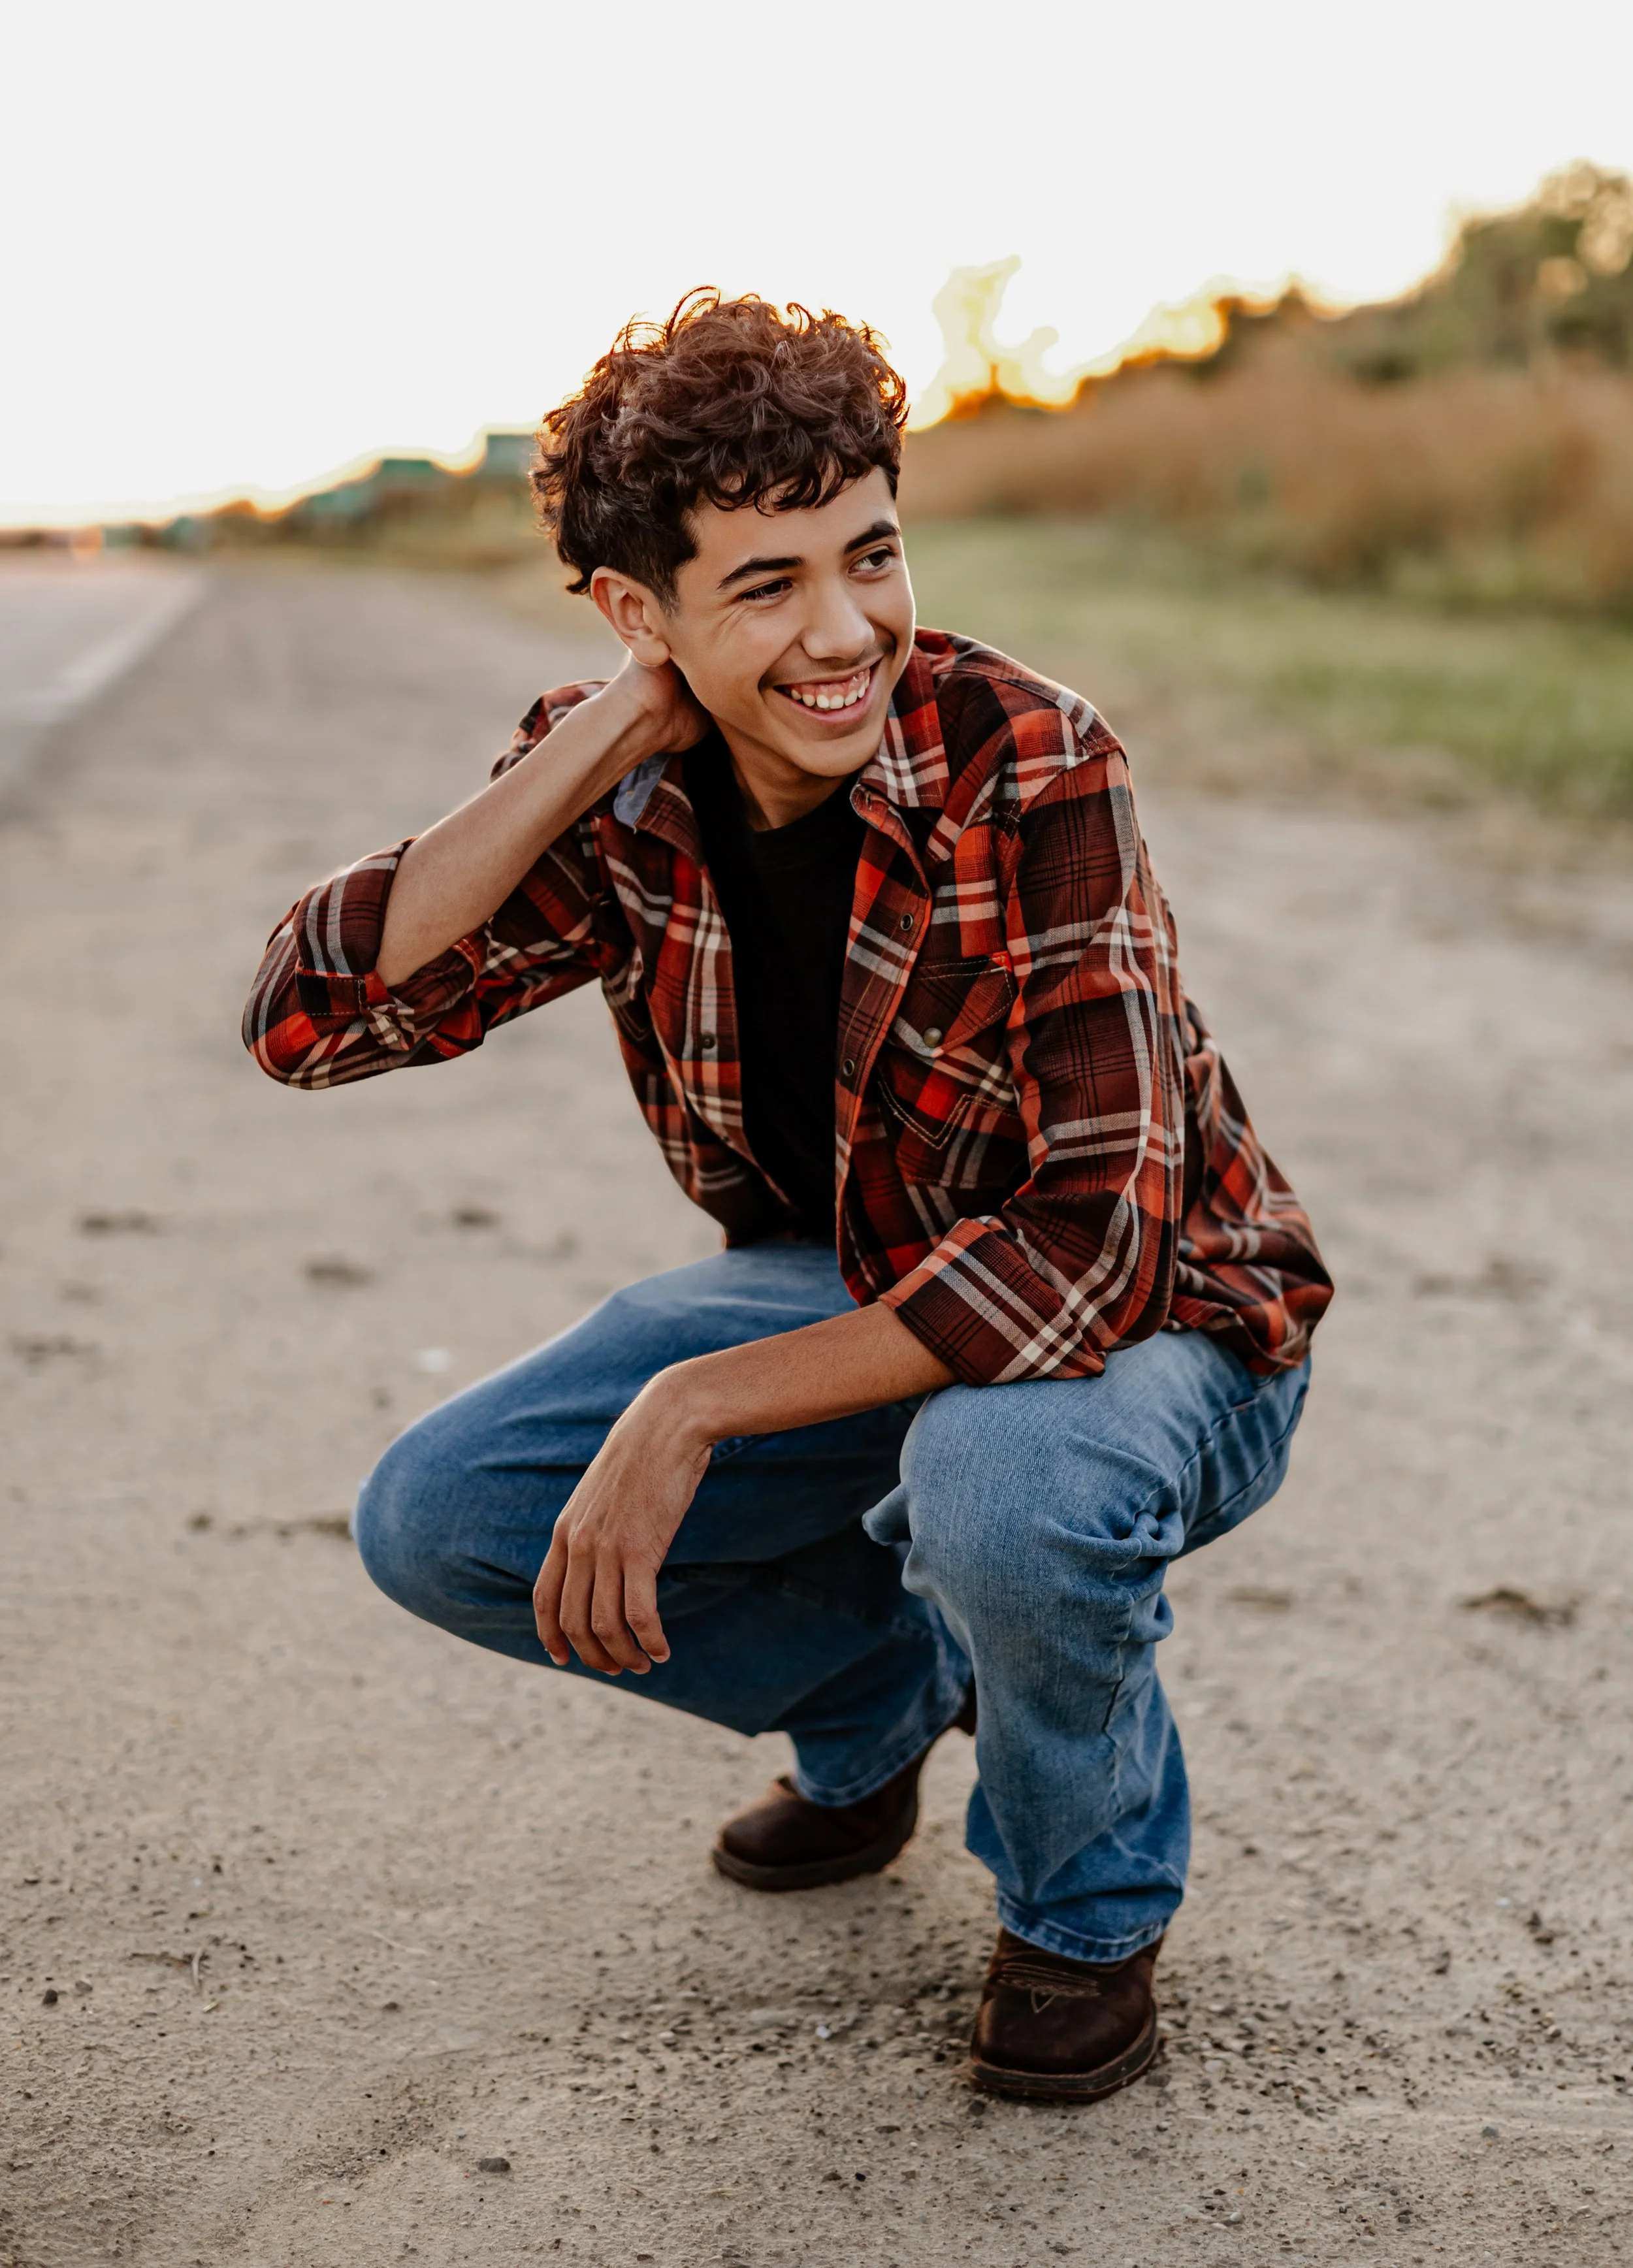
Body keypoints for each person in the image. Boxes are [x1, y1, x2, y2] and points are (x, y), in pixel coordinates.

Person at [244, 291, 1331, 2104]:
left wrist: (693, 1408)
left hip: (1167, 1322)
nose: (845, 633)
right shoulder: (621, 784)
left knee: (996, 1483)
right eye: (763, 585)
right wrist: (596, 742)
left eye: (871, 554)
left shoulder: (1029, 756)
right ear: (635, 611)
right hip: (861, 1281)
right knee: (443, 1516)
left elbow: (1093, 1243)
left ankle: (1081, 1899)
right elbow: (307, 1016)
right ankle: (878, 1700)